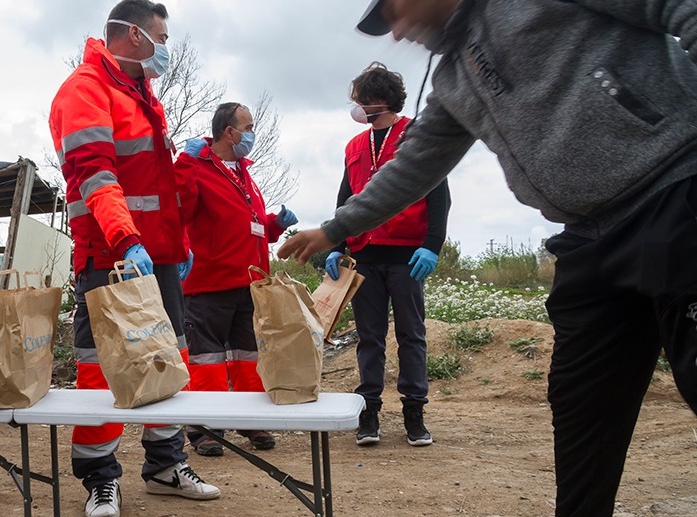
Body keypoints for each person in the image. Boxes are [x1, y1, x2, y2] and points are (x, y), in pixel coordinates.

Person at [278, 1, 697, 515]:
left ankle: (415, 412)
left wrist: (428, 244)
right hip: (588, 238)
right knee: (582, 409)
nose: (398, 31)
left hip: (676, 192)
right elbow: (416, 166)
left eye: (397, 12)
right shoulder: (455, 80)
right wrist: (336, 230)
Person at [48, 2, 220, 516]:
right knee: (102, 369)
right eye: (159, 36)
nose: (165, 46)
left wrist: (178, 246)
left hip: (155, 256)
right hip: (110, 253)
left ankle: (166, 465)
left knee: (170, 360)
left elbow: (157, 188)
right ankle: (101, 480)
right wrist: (127, 241)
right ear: (130, 34)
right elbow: (95, 177)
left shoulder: (141, 94)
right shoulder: (86, 89)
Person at [327, 62, 449, 448]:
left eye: (361, 101)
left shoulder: (415, 135)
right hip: (366, 254)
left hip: (407, 255)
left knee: (412, 334)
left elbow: (439, 195)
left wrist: (432, 245)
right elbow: (346, 198)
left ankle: (414, 411)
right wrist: (336, 245)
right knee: (369, 336)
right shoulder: (354, 146)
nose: (356, 107)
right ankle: (370, 411)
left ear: (378, 100)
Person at [175, 102, 298, 457]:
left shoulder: (244, 171)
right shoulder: (195, 167)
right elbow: (179, 207)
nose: (252, 133)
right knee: (207, 358)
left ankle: (250, 420)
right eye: (248, 126)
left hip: (249, 282)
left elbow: (247, 224)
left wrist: (274, 225)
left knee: (248, 357)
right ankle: (205, 428)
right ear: (229, 132)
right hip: (209, 282)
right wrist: (185, 161)